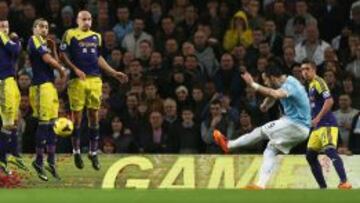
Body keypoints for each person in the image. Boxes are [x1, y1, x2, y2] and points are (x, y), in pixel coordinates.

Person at [213, 66, 311, 189]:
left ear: (273, 78)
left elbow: (275, 94)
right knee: (270, 149)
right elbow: (273, 94)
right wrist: (266, 104)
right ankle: (260, 184)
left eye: (266, 80)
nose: (265, 83)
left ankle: (229, 145)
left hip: (295, 124)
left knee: (261, 131)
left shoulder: (291, 84)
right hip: (299, 128)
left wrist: (253, 84)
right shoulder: (283, 84)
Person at [60, 10, 128, 171]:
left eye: (89, 19)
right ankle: (76, 151)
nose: (87, 22)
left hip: (95, 79)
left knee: (94, 116)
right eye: (84, 19)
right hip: (77, 80)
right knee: (77, 117)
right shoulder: (70, 34)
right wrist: (75, 70)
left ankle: (93, 152)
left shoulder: (96, 36)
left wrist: (113, 72)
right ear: (77, 20)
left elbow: (98, 57)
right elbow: (63, 55)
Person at [300, 61, 352, 189]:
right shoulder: (310, 85)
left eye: (307, 69)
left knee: (330, 151)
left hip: (327, 124)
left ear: (314, 69)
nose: (304, 72)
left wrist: (317, 118)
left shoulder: (319, 81)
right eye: (302, 70)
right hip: (317, 127)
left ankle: (344, 181)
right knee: (310, 156)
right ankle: (323, 188)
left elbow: (329, 101)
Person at [28, 18, 67, 181]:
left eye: (46, 27)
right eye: (41, 27)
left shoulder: (45, 45)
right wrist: (62, 69)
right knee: (44, 124)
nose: (44, 30)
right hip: (40, 87)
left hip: (49, 86)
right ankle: (38, 161)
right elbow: (47, 61)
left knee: (52, 125)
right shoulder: (34, 40)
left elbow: (53, 60)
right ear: (34, 29)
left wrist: (54, 49)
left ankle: (51, 161)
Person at [0, 17, 27, 175]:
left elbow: (16, 51)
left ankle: (10, 156)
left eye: (6, 26)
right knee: (7, 123)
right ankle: (5, 159)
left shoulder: (13, 41)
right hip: (3, 82)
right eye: (1, 26)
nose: (4, 28)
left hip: (12, 82)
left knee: (13, 121)